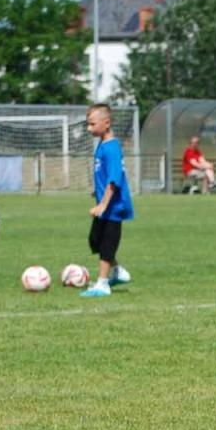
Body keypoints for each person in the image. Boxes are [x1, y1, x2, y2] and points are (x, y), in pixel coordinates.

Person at [80, 103, 134, 299]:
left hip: (113, 206)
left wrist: (103, 204)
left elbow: (114, 179)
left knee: (106, 244)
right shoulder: (103, 145)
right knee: (95, 241)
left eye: (92, 124)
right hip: (104, 203)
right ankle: (118, 271)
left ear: (107, 123)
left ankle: (103, 284)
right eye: (88, 124)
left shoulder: (111, 148)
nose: (89, 128)